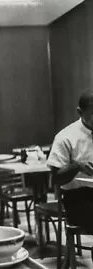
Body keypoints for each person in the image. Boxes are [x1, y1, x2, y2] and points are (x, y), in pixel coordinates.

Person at [47, 90, 93, 234]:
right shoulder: (66, 137)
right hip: (77, 197)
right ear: (80, 112)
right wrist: (77, 166)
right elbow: (56, 179)